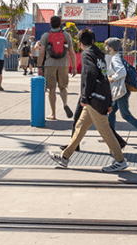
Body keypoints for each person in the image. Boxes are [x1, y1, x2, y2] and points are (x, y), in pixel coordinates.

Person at [49, 28, 129, 173]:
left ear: (79, 43)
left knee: (104, 130)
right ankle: (65, 157)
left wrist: (85, 97)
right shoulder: (99, 54)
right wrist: (109, 100)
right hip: (100, 96)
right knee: (80, 126)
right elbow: (104, 77)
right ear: (92, 40)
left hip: (93, 98)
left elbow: (89, 74)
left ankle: (120, 160)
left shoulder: (86, 54)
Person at [105, 37, 137, 144]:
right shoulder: (118, 56)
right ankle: (110, 136)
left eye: (107, 46)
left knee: (125, 115)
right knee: (111, 112)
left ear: (111, 47)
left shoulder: (115, 58)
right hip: (121, 89)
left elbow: (122, 72)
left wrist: (111, 78)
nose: (106, 48)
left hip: (121, 90)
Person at [38, 16, 76, 120]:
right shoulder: (66, 35)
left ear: (50, 24)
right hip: (64, 64)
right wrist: (74, 67)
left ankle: (53, 114)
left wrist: (39, 66)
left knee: (52, 89)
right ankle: (64, 103)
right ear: (60, 24)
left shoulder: (45, 35)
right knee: (63, 87)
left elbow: (41, 52)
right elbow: (72, 53)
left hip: (50, 64)